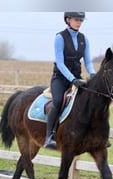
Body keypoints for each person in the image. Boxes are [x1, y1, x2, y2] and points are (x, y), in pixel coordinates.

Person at [44, 12, 96, 149]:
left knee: (90, 101)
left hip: (77, 78)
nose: (79, 22)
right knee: (58, 101)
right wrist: (72, 79)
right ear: (68, 20)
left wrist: (93, 74)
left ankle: (94, 134)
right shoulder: (60, 37)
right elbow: (60, 63)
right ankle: (50, 136)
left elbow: (88, 62)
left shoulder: (83, 39)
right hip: (60, 79)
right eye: (76, 20)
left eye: (81, 20)